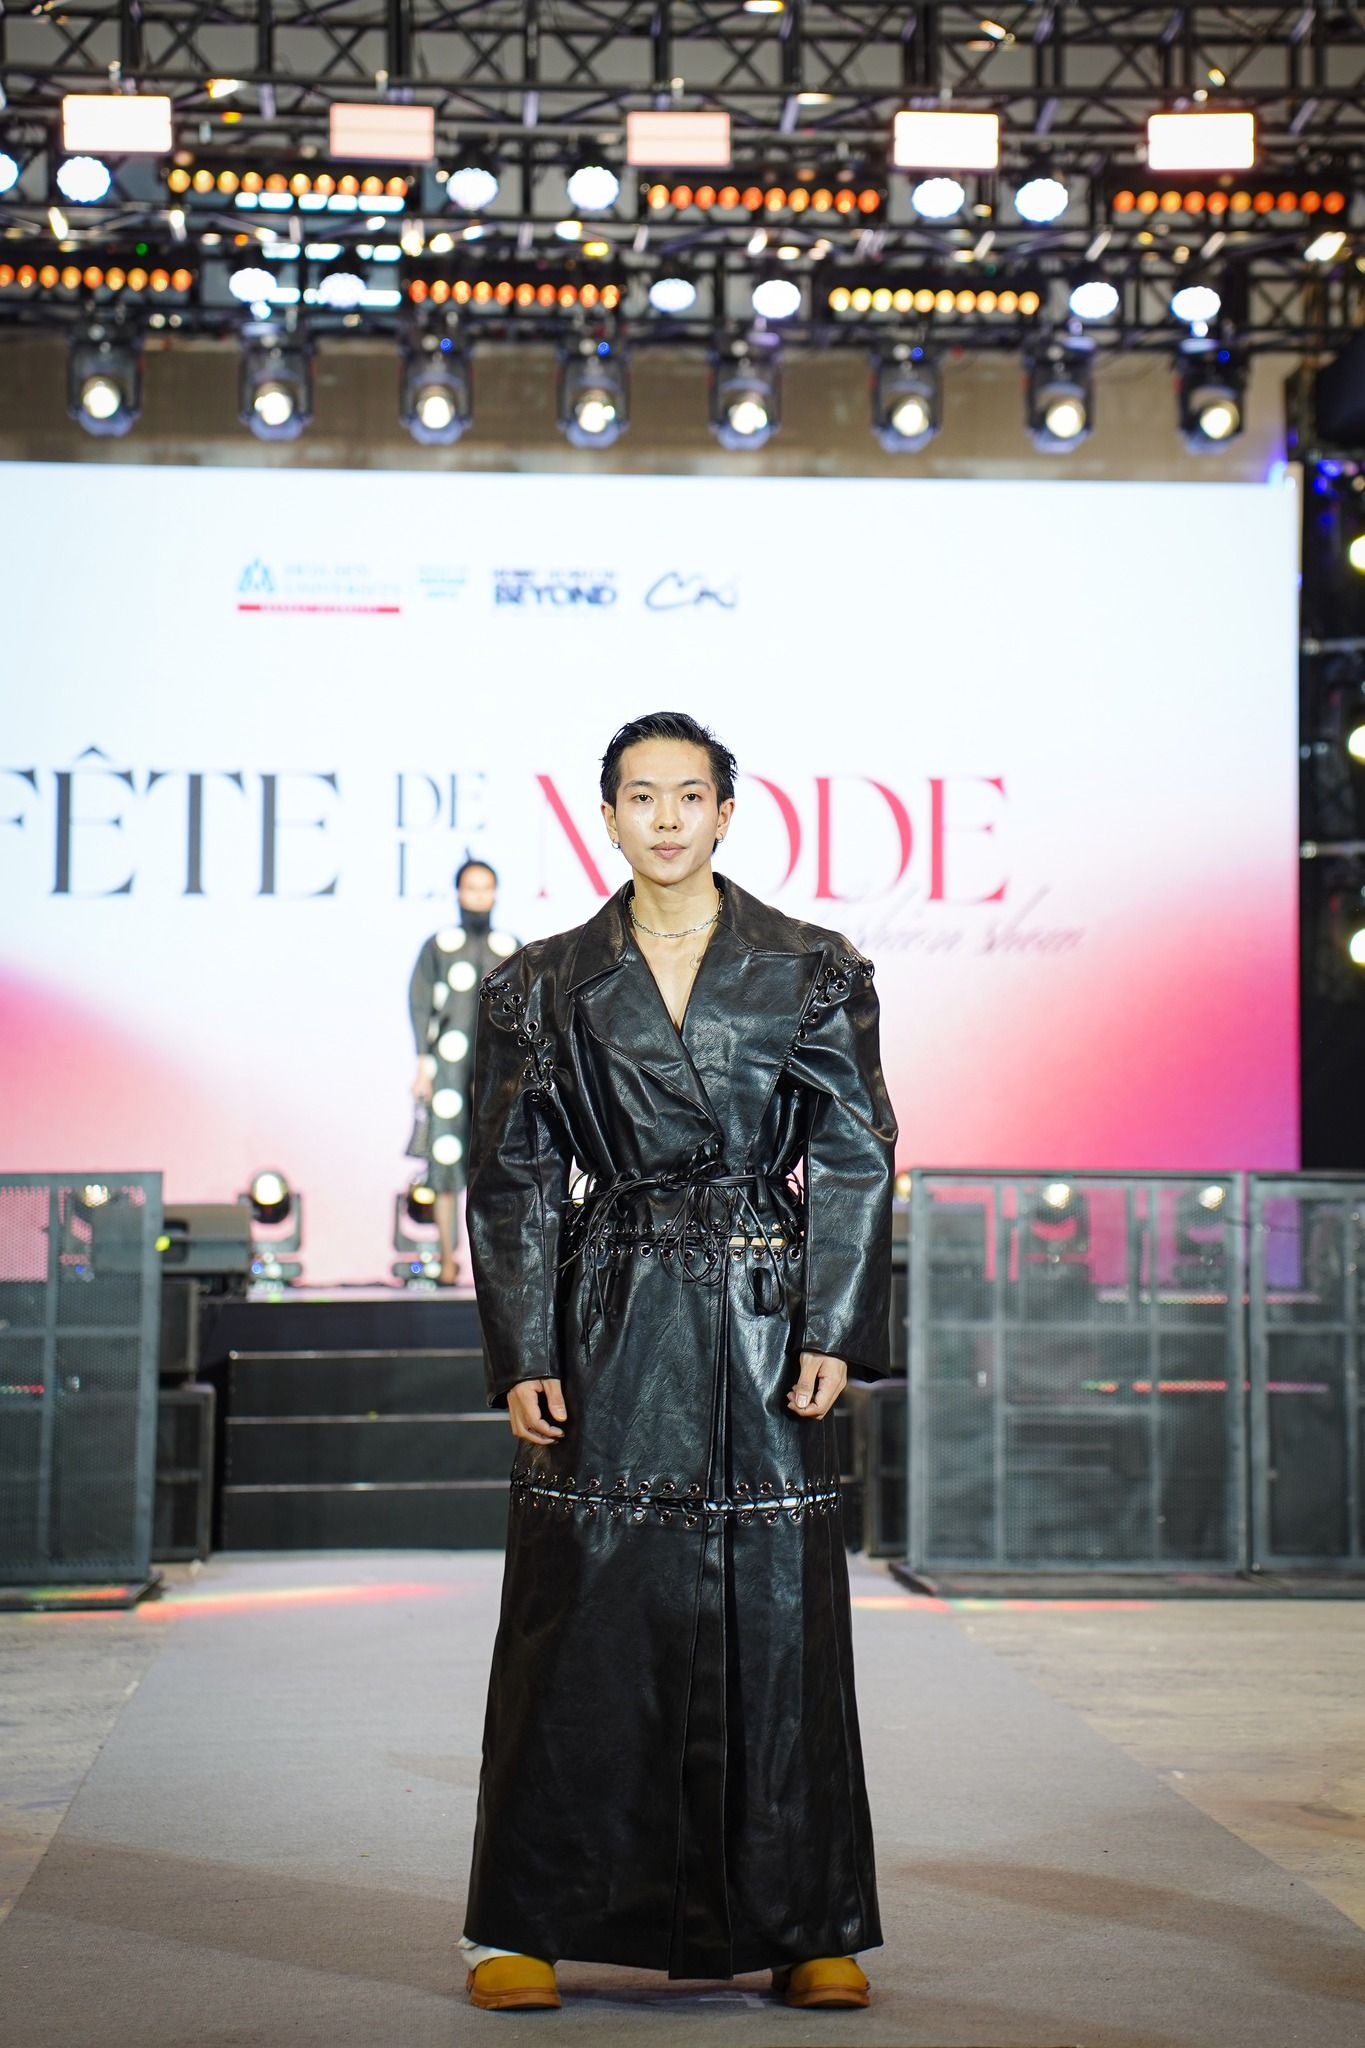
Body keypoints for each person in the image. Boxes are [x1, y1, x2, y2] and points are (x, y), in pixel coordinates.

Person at [460, 711, 897, 2013]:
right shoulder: (538, 982)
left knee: (781, 1615)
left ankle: (808, 1922)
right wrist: (523, 1346)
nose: (665, 817)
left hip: (765, 1314)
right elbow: (513, 1176)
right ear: (605, 816)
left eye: (688, 795)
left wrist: (833, 1323)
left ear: (725, 812)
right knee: (577, 1615)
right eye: (640, 796)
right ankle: (524, 1923)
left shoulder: (812, 966)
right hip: (610, 1309)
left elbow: (858, 1150)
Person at [408, 859, 519, 1285]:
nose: (478, 896)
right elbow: (421, 1006)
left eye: (485, 888)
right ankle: (446, 1258)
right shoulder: (440, 946)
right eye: (471, 888)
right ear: (458, 893)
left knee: (497, 1163)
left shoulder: (510, 946)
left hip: (499, 1070)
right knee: (445, 1158)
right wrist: (423, 1066)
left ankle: (495, 1264)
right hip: (448, 1069)